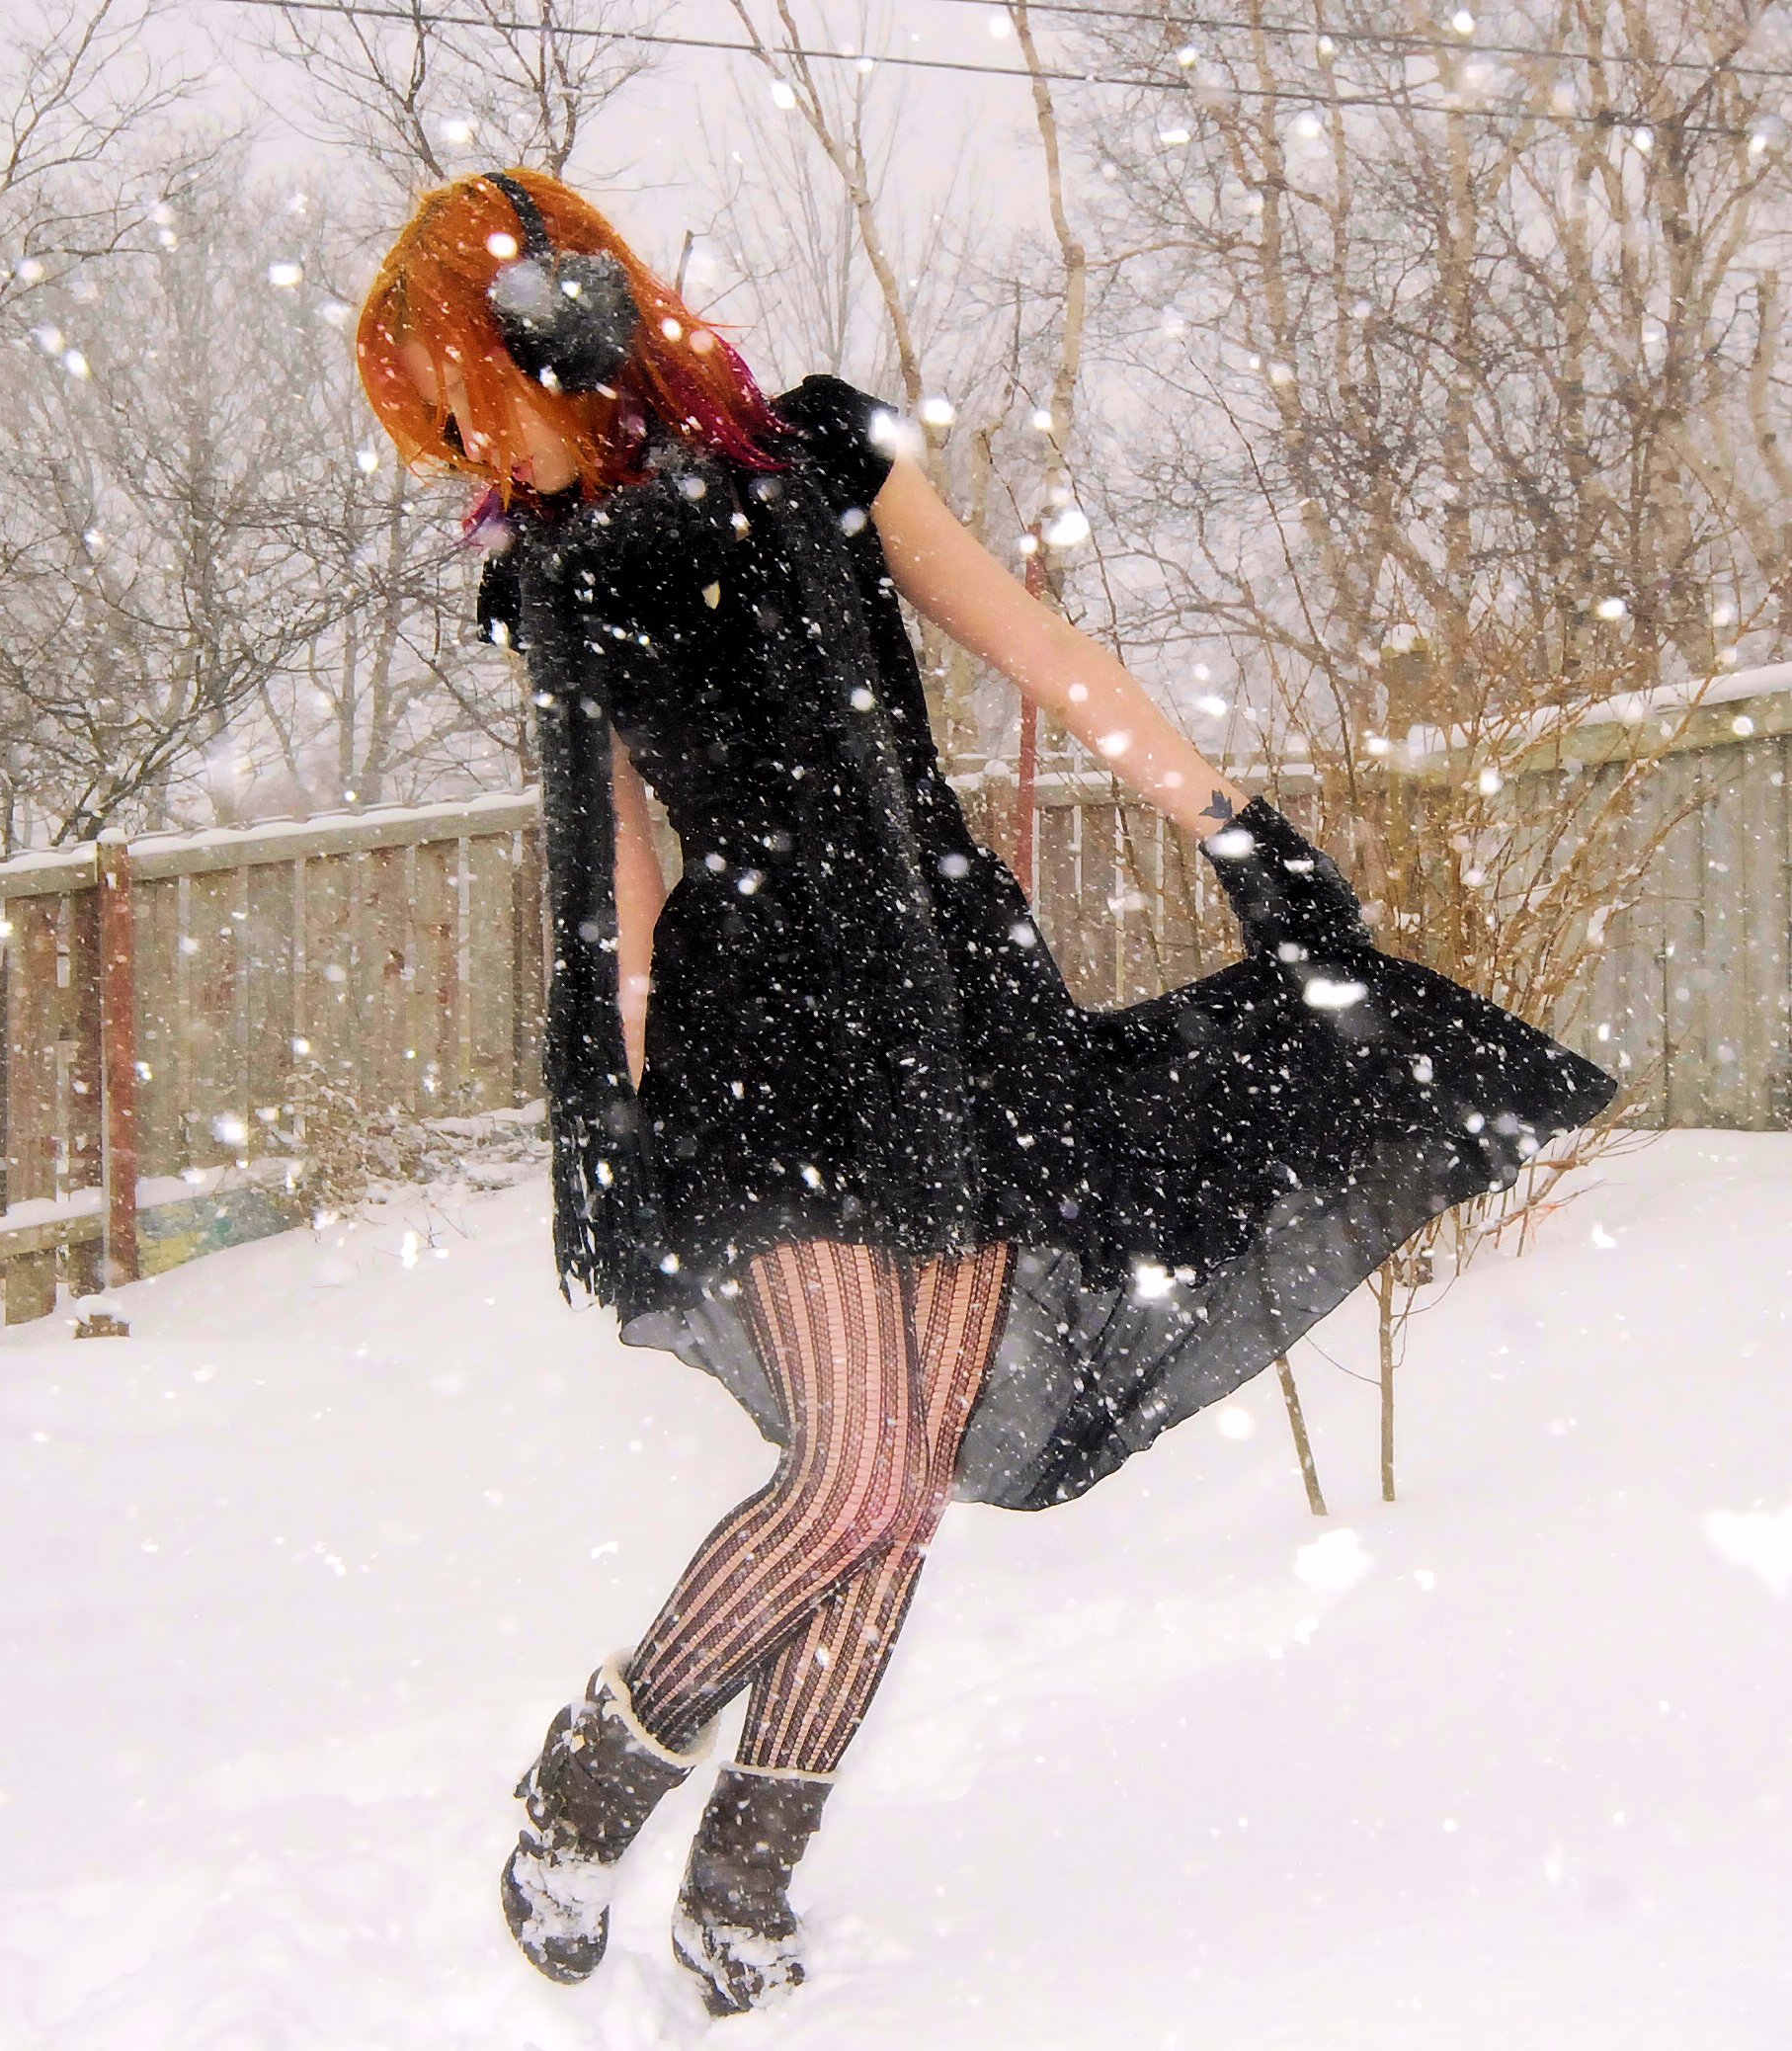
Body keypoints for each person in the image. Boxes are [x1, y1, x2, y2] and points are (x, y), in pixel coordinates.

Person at [354, 167, 1614, 2017]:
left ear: (551, 327)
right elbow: (609, 864)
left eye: (466, 407)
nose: (474, 454)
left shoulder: (822, 457)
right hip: (749, 1040)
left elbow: (1041, 651)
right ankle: (591, 1779)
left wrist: (1236, 829)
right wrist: (617, 1098)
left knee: (903, 1482)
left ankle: (744, 1887)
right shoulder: (551, 575)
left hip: (952, 1015)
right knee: (854, 1461)